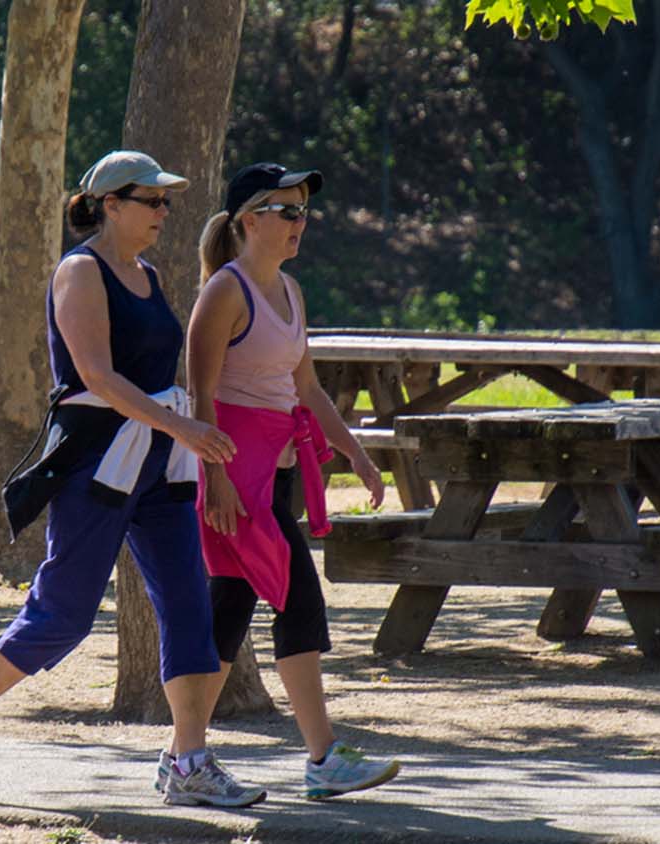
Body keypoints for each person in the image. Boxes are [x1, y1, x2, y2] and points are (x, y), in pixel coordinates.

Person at [0, 150, 267, 809]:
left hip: (159, 465)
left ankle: (188, 760)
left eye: (166, 201)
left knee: (190, 601)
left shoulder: (149, 274)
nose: (165, 211)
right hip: (96, 467)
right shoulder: (81, 271)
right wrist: (183, 427)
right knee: (66, 612)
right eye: (152, 200)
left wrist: (189, 431)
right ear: (110, 204)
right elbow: (97, 378)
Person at [182, 162, 399, 800]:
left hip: (273, 477)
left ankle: (183, 758)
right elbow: (201, 395)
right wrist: (215, 481)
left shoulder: (290, 291)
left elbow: (305, 389)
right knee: (298, 603)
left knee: (229, 614)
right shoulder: (224, 291)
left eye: (304, 210)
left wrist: (354, 452)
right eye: (287, 210)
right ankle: (323, 756)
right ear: (250, 220)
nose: (300, 221)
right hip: (233, 481)